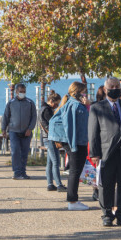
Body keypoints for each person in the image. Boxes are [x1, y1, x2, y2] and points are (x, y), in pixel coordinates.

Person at [89, 77, 121, 226]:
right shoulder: (97, 107)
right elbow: (93, 133)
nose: (115, 88)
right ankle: (107, 215)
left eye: (117, 86)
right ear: (105, 89)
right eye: (112, 86)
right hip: (106, 153)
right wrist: (95, 153)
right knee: (106, 185)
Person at [48, 82, 89, 211]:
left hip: (76, 142)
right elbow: (69, 126)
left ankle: (73, 199)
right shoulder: (75, 106)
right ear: (77, 92)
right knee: (75, 172)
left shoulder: (72, 104)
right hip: (77, 142)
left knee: (75, 171)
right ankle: (72, 200)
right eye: (83, 92)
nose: (85, 94)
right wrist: (72, 144)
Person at [2, 84, 37, 180]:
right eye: (21, 91)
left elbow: (34, 117)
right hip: (14, 131)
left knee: (24, 153)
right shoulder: (11, 103)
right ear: (16, 92)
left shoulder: (30, 102)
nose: (22, 93)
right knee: (15, 151)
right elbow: (5, 116)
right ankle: (16, 172)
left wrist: (30, 128)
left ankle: (23, 172)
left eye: (24, 91)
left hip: (26, 132)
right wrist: (3, 129)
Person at [39, 89, 66, 192]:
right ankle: (59, 184)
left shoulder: (42, 108)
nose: (56, 106)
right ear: (51, 101)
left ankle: (50, 183)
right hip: (50, 137)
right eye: (56, 103)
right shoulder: (47, 110)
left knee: (50, 162)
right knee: (56, 162)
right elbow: (52, 124)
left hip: (46, 137)